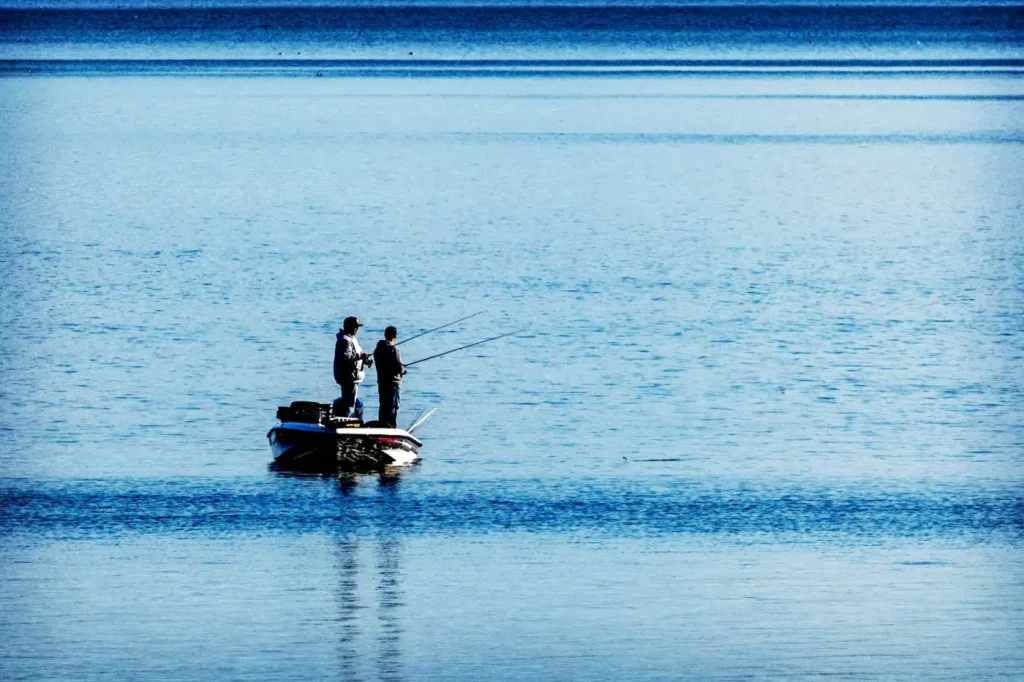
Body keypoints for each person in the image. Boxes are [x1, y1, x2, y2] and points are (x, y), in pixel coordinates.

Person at [333, 316, 372, 420]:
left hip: (352, 376)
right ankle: (346, 422)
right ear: (347, 327)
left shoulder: (351, 339)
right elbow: (346, 357)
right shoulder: (345, 340)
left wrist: (365, 360)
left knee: (354, 402)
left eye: (357, 327)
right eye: (354, 326)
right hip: (348, 377)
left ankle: (348, 418)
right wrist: (361, 357)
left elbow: (355, 355)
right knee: (350, 403)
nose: (356, 329)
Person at [373, 326, 407, 427]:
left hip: (382, 383)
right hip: (393, 384)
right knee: (392, 408)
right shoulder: (393, 350)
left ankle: (382, 427)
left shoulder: (377, 350)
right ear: (395, 336)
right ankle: (390, 428)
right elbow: (399, 368)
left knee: (383, 407)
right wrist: (404, 370)